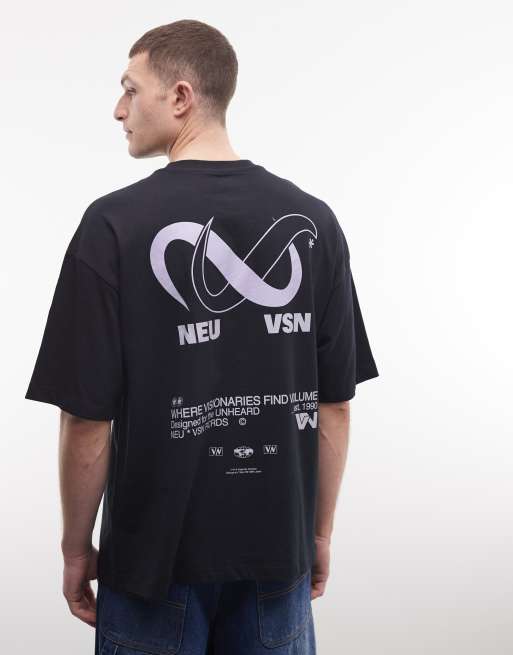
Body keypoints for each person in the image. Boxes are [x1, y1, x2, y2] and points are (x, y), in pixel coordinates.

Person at [24, 18, 379, 655]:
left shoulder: (114, 225)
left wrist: (77, 548)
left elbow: (86, 419)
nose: (119, 109)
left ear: (181, 96)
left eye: (131, 89)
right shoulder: (315, 221)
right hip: (277, 553)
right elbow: (334, 406)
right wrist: (318, 535)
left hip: (151, 563)